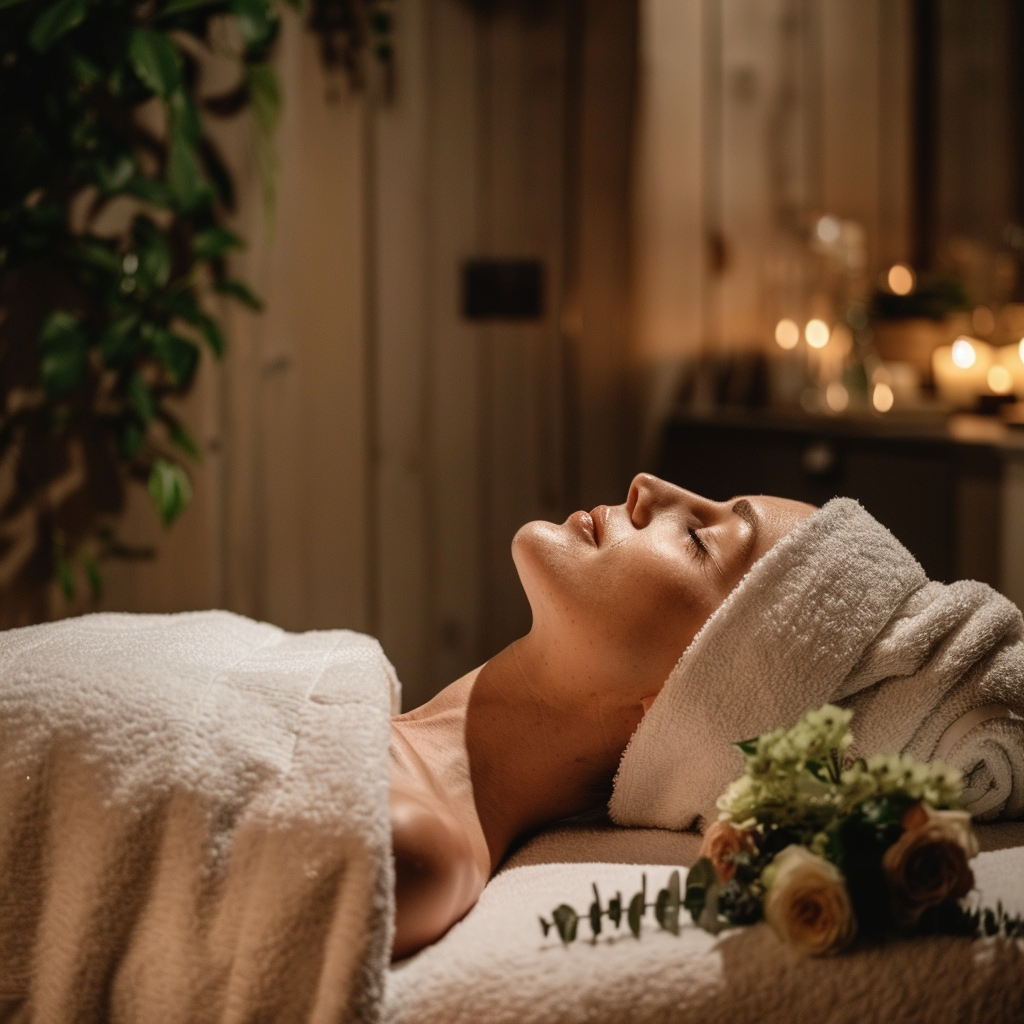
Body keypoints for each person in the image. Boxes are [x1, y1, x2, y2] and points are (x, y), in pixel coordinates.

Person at [387, 473, 815, 958]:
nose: (647, 485)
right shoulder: (378, 732)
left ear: (686, 706)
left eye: (698, 540)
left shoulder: (406, 844)